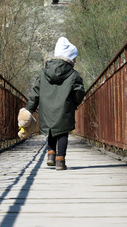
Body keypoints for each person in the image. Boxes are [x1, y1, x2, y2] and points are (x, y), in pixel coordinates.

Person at [25, 37, 85, 170]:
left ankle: (51, 154)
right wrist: (74, 103)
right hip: (65, 108)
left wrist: (29, 108)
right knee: (62, 132)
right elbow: (79, 92)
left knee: (51, 131)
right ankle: (60, 161)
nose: (75, 61)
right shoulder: (74, 75)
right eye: (74, 58)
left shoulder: (43, 73)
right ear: (69, 58)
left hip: (46, 109)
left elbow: (36, 91)